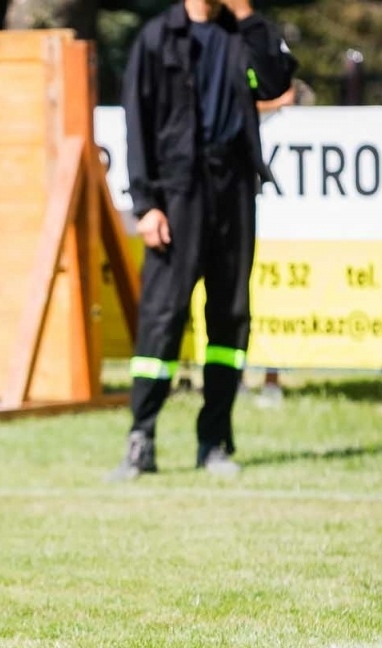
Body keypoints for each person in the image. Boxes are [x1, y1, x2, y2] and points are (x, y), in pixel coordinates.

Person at [111, 0, 295, 479]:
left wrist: (249, 15)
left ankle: (214, 442)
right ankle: (141, 439)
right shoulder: (156, 39)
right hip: (176, 197)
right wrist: (145, 204)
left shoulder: (244, 33)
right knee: (162, 318)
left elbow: (276, 83)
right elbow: (136, 124)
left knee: (230, 320)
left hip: (232, 190)